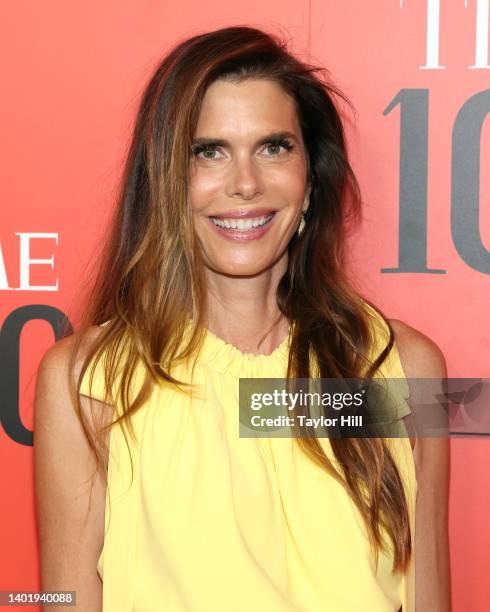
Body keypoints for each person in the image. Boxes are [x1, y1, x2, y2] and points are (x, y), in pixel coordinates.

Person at [34, 25, 450, 611]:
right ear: (166, 181)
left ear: (310, 180)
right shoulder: (89, 381)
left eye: (274, 147)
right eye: (209, 152)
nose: (246, 183)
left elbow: (428, 591)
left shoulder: (402, 368)